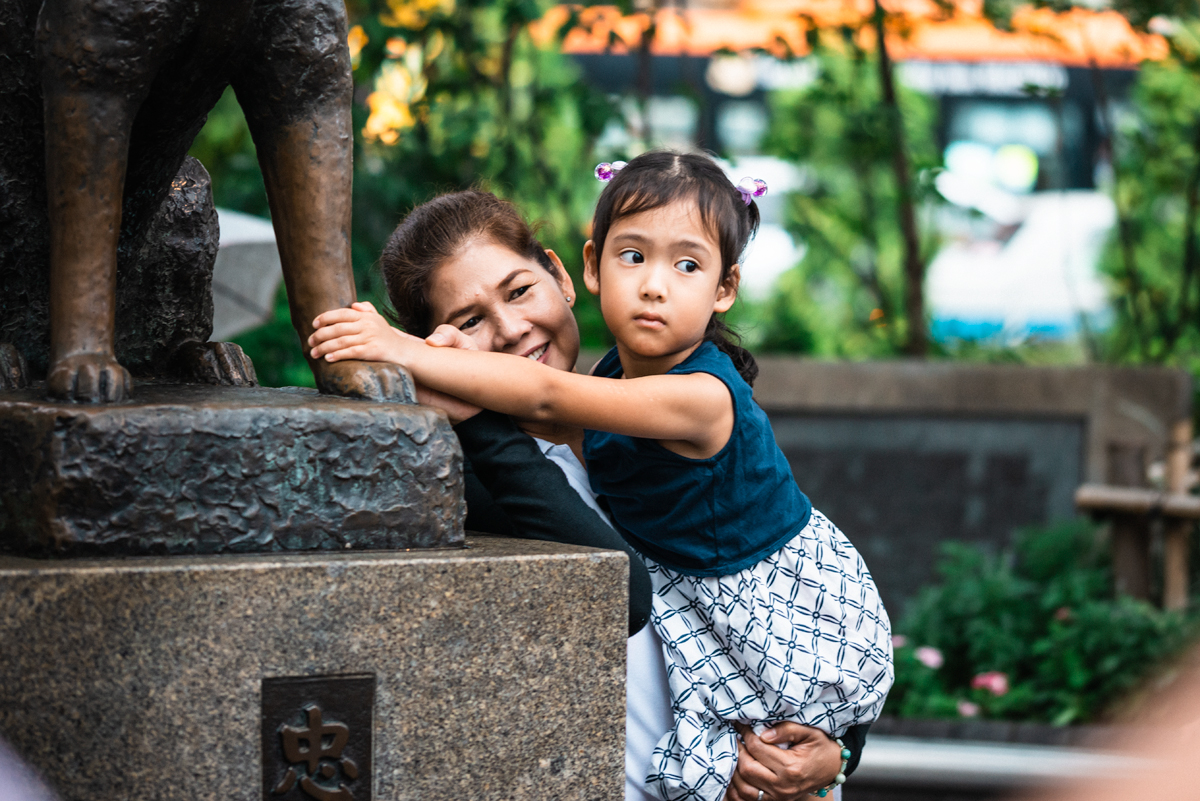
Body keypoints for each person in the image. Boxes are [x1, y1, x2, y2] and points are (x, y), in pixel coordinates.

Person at [315, 182, 881, 800]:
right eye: (469, 321)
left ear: (560, 275)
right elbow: (623, 589)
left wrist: (839, 752)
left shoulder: (654, 415)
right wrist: (473, 422)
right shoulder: (471, 486)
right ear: (438, 351)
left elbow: (797, 632)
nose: (510, 330)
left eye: (520, 290)